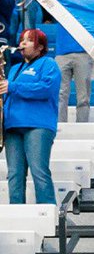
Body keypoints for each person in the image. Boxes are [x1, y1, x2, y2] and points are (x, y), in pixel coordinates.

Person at [0, 28, 61, 205]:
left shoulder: (48, 63)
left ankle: (48, 214)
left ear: (40, 47)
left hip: (38, 125)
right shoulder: (14, 69)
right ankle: (17, 214)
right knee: (14, 174)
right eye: (21, 40)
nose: (22, 43)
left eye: (29, 40)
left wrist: (13, 87)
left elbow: (46, 89)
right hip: (13, 126)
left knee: (39, 171)